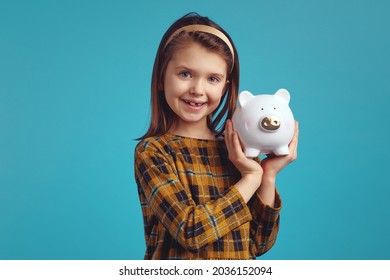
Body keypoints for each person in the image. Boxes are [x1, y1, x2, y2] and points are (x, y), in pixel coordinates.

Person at [134, 12, 299, 260]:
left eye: (212, 78)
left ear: (225, 87)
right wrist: (250, 178)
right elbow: (190, 232)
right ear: (161, 77)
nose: (197, 90)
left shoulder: (238, 149)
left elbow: (259, 243)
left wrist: (267, 175)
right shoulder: (154, 151)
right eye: (185, 74)